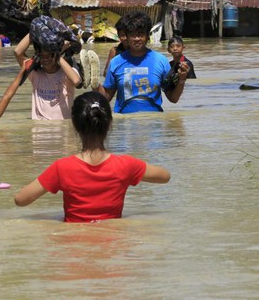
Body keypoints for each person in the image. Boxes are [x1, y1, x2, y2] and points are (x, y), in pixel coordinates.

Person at [14, 92, 171, 222]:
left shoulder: (62, 168)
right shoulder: (126, 165)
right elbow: (165, 177)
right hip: (113, 246)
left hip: (73, 247)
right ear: (109, 123)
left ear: (74, 125)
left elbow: (20, 200)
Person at [99, 11, 189, 113]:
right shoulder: (116, 62)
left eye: (141, 34)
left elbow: (173, 98)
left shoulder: (161, 61)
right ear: (126, 37)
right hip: (125, 124)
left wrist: (181, 80)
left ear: (147, 36)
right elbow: (106, 98)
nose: (137, 39)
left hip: (154, 122)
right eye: (133, 35)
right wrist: (94, 84)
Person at [14, 33, 82, 120]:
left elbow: (76, 81)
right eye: (42, 56)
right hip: (40, 129)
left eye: (49, 55)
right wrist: (35, 29)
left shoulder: (67, 74)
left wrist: (57, 53)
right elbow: (18, 52)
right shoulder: (35, 74)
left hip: (62, 131)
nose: (45, 59)